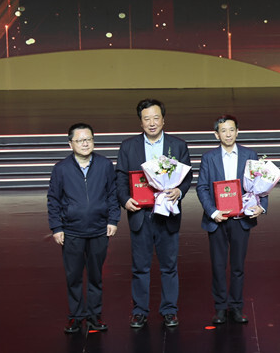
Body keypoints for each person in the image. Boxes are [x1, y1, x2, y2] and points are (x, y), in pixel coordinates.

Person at [115, 99, 192, 328]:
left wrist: (179, 191)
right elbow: (120, 177)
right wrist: (125, 200)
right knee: (140, 267)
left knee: (169, 266)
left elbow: (187, 177)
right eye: (146, 118)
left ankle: (169, 310)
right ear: (140, 122)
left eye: (156, 118)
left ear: (163, 120)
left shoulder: (178, 145)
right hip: (140, 214)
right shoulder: (128, 147)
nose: (152, 123)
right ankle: (139, 311)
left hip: (168, 214)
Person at [47, 123, 120, 333]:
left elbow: (112, 194)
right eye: (80, 140)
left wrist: (113, 220)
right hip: (72, 231)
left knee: (96, 276)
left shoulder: (105, 165)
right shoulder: (61, 168)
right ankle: (76, 316)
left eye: (88, 139)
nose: (85, 144)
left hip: (99, 229)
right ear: (70, 144)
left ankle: (95, 316)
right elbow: (53, 199)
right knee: (74, 276)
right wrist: (56, 227)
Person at [196, 115, 267, 324]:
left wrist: (261, 206)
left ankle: (236, 306)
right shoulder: (208, 157)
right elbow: (202, 187)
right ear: (216, 134)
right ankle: (220, 307)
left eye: (231, 130)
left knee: (238, 266)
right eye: (223, 130)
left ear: (237, 131)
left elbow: (261, 184)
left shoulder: (249, 155)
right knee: (218, 265)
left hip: (240, 218)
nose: (228, 134)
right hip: (217, 219)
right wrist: (212, 212)